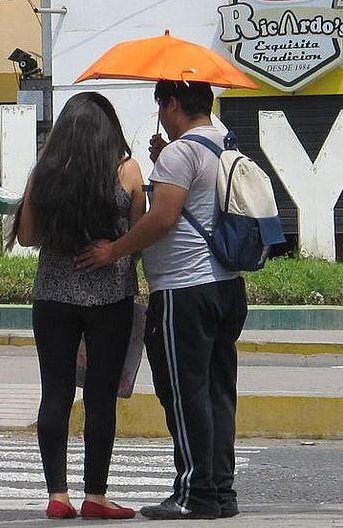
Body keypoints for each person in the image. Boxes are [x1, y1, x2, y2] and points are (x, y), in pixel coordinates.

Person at [77, 80, 248, 520]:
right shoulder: (224, 143)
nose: (160, 115)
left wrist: (114, 251)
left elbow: (164, 218)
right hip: (226, 286)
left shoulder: (180, 153)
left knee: (184, 394)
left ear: (171, 104)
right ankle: (220, 490)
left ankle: (194, 493)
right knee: (217, 391)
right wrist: (164, 159)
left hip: (184, 290)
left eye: (161, 105)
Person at [8, 92, 145, 520]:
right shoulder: (127, 170)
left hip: (52, 297)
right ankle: (96, 496)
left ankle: (58, 495)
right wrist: (112, 249)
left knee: (56, 393)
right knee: (101, 398)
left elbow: (27, 237)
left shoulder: (45, 173)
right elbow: (139, 237)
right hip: (110, 297)